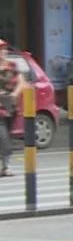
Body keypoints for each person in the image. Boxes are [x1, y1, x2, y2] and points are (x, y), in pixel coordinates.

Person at [0, 39, 28, 177]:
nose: (2, 52)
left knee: (7, 136)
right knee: (2, 135)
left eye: (4, 49)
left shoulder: (12, 66)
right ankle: (6, 166)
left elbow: (22, 82)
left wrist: (14, 94)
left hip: (10, 107)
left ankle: (5, 165)